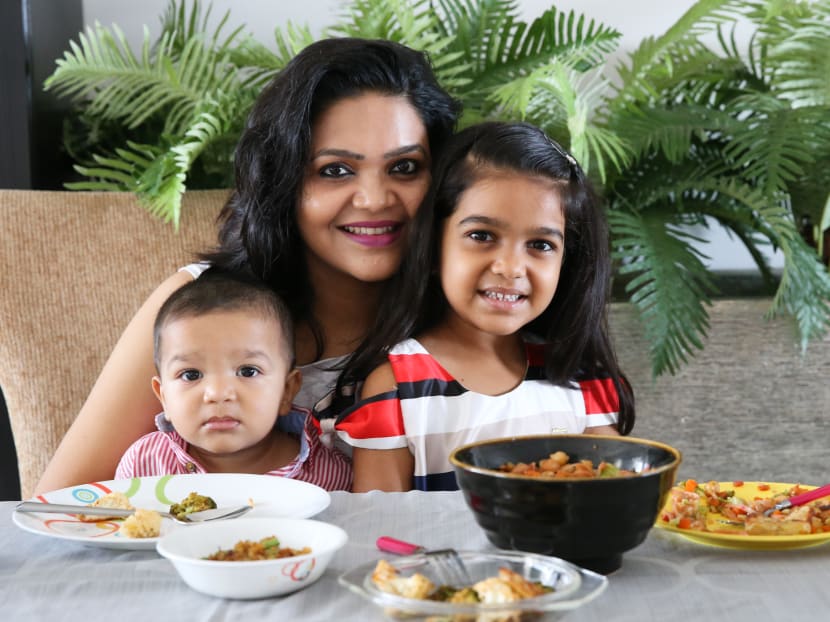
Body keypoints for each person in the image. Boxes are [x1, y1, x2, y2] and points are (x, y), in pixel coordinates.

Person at [35, 37, 460, 494]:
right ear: (285, 179)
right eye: (335, 170)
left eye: (404, 168)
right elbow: (56, 506)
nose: (375, 200)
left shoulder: (474, 312)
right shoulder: (198, 308)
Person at [334, 121, 635, 492]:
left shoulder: (581, 379)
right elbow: (383, 525)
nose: (510, 268)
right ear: (432, 247)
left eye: (540, 245)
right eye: (482, 236)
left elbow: (614, 502)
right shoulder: (399, 386)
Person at [115, 269, 351, 490]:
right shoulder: (143, 466)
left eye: (248, 371)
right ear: (164, 397)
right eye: (191, 375)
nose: (218, 393)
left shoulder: (329, 476)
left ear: (287, 390)